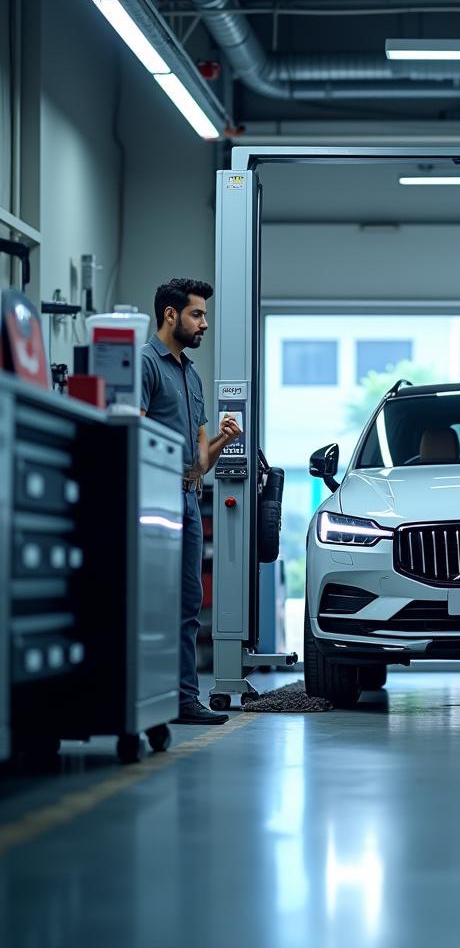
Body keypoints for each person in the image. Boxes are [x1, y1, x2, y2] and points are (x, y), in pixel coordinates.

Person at [141, 279, 242, 725]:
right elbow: (137, 435)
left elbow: (200, 462)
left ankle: (183, 700)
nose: (204, 323)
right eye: (197, 314)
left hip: (187, 499)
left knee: (187, 604)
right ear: (170, 315)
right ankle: (150, 696)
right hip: (155, 500)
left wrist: (222, 437)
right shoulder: (144, 364)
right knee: (151, 602)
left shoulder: (192, 374)